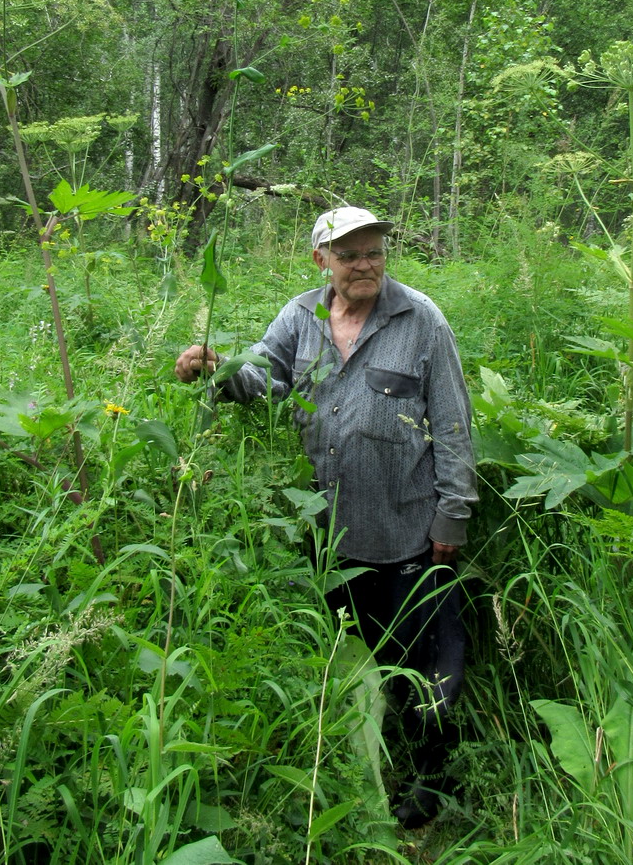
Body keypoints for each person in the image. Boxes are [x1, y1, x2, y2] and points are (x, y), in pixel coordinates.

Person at [175, 205, 477, 827]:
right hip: (328, 535)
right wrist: (217, 370)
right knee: (356, 662)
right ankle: (357, 766)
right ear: (322, 260)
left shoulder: (422, 321)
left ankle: (436, 778)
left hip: (408, 532)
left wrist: (453, 516)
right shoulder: (300, 316)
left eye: (374, 253)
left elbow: (451, 424)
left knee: (428, 662)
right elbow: (263, 377)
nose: (364, 266)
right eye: (350, 255)